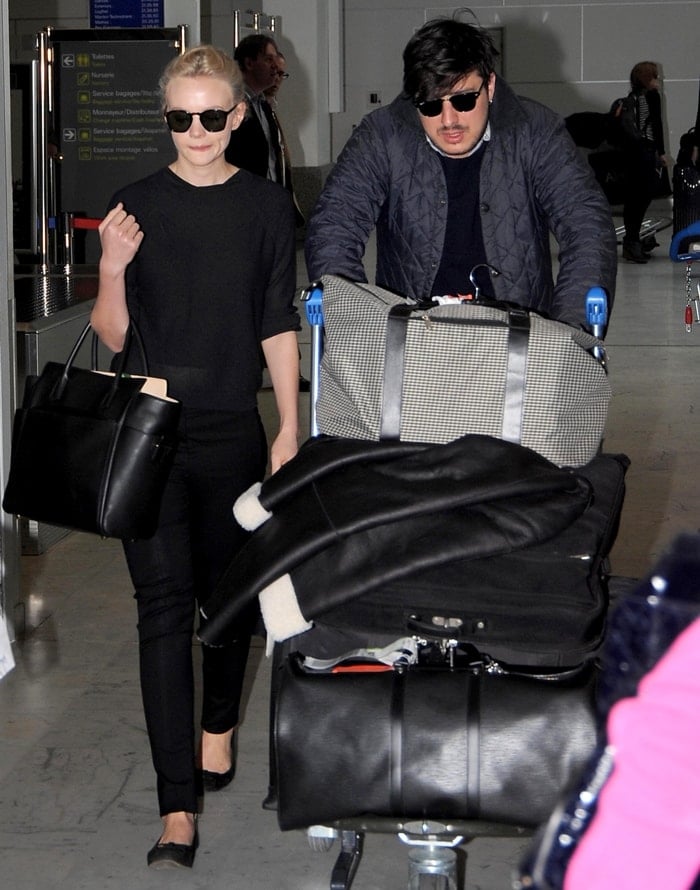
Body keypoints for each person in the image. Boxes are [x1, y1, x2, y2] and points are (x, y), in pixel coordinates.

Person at [90, 44, 300, 869]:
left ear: (238, 117)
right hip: (149, 434)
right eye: (183, 117)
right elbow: (112, 336)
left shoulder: (265, 208)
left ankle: (220, 722)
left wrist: (287, 426)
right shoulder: (135, 205)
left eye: (215, 116)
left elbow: (277, 320)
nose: (199, 130)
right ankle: (176, 807)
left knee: (230, 603)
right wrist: (112, 266)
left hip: (233, 433)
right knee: (162, 612)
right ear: (166, 118)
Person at [305, 17, 617, 332]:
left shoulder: (537, 132)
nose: (449, 119)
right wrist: (361, 330)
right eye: (430, 106)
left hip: (519, 336)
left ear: (490, 86)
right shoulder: (381, 137)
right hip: (413, 338)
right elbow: (335, 227)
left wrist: (566, 336)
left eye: (464, 100)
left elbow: (587, 227)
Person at [616, 61, 672, 263]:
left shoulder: (631, 97)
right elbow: (656, 126)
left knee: (633, 201)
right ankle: (633, 242)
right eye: (655, 76)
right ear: (647, 80)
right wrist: (662, 153)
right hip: (647, 153)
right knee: (642, 199)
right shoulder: (652, 97)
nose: (658, 80)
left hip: (632, 155)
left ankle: (632, 242)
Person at [225, 33, 283, 182]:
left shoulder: (263, 105)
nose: (275, 66)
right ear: (249, 63)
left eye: (275, 59)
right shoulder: (231, 103)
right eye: (268, 59)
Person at [264, 51, 306, 226]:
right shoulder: (252, 110)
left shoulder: (271, 108)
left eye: (281, 74)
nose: (277, 79)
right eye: (273, 73)